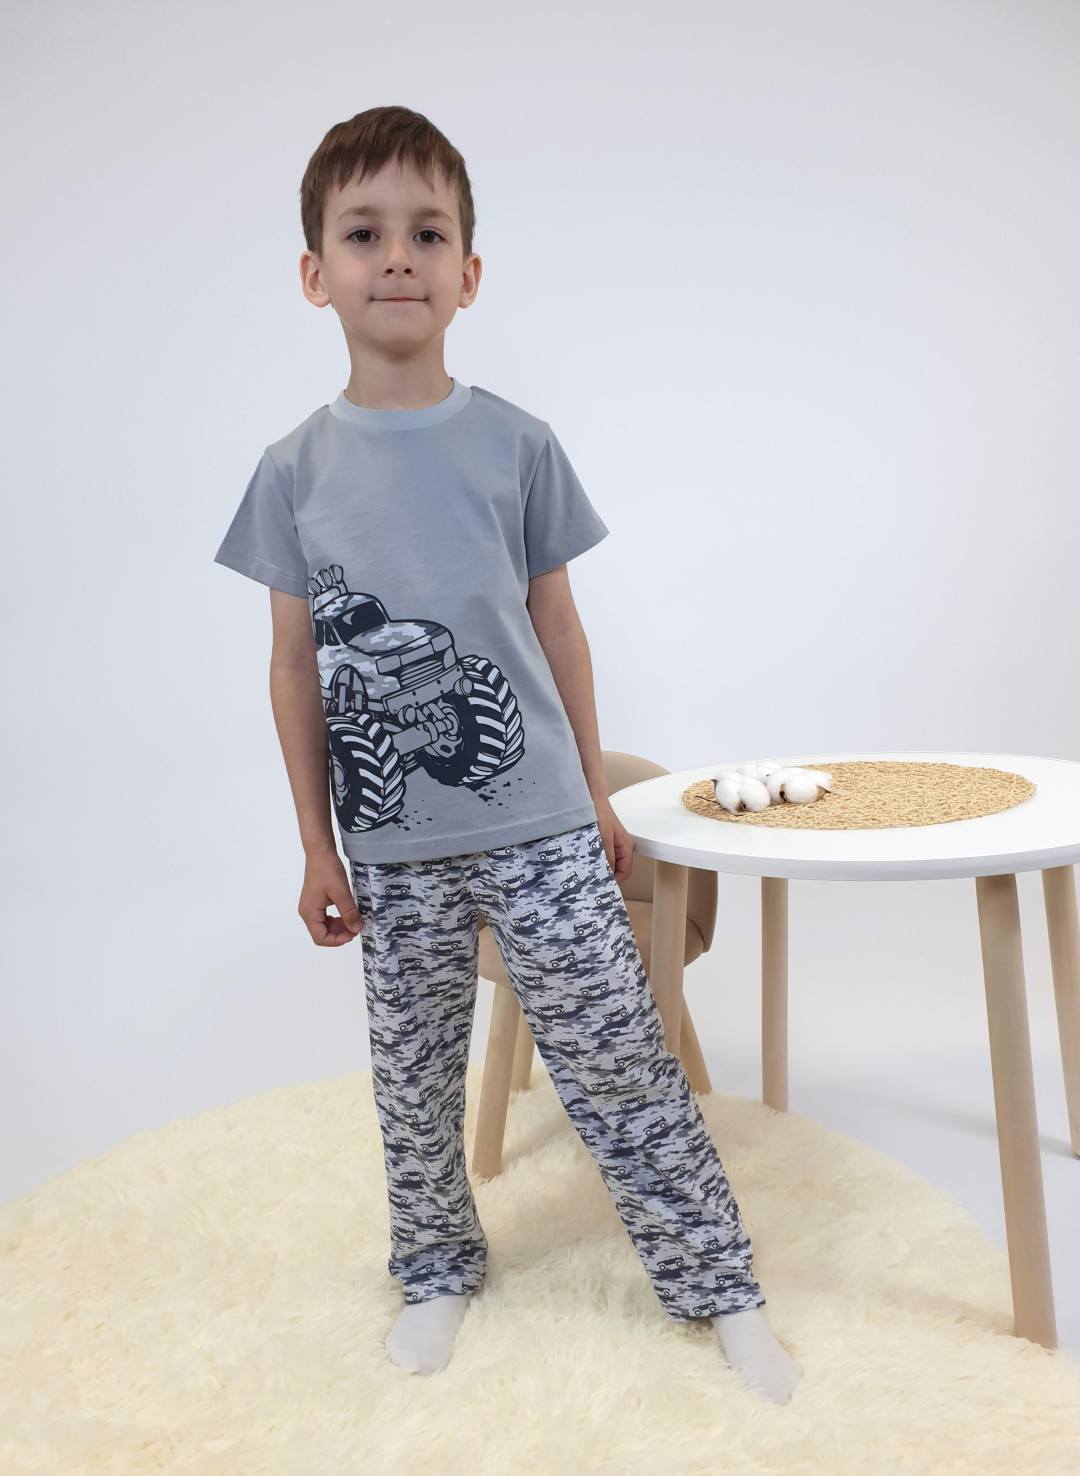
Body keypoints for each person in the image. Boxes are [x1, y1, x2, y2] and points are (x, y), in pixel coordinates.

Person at [212, 104, 801, 1406]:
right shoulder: (291, 471)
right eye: (364, 234)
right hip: (390, 849)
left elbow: (558, 628)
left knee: (620, 1056)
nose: (397, 257)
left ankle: (718, 1281)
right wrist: (316, 842)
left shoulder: (517, 444)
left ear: (469, 273)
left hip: (542, 825)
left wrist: (593, 791)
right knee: (412, 1076)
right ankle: (435, 1266)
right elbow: (294, 667)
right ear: (315, 272)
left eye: (428, 234)